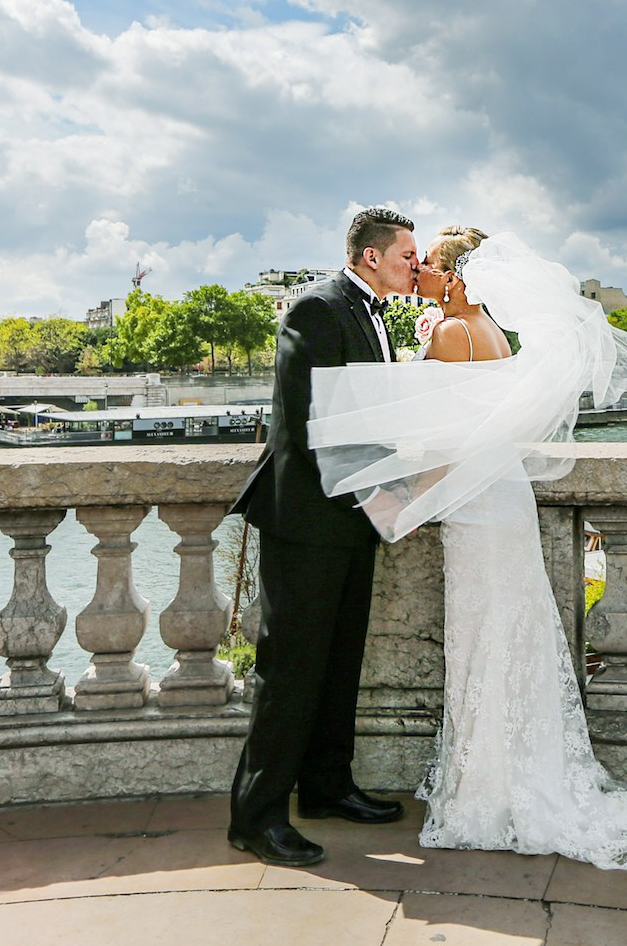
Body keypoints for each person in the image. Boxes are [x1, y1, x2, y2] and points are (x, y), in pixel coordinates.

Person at [305, 226, 627, 872]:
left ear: (453, 279)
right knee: (514, 634)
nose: (417, 272)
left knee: (483, 642)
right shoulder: (497, 335)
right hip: (503, 494)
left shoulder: (450, 335)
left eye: (426, 265)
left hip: (473, 504)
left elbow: (442, 440)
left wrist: (405, 504)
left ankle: (487, 793)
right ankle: (522, 773)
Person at [227, 207, 419, 868]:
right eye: (406, 257)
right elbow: (312, 424)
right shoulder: (315, 308)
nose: (414, 267)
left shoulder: (368, 312)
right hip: (308, 520)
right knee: (291, 672)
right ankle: (256, 818)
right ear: (372, 258)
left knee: (339, 664)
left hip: (351, 517)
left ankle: (328, 788)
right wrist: (383, 489)